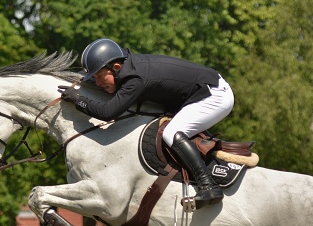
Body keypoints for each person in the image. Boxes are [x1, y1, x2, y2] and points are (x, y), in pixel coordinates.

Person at [58, 38, 234, 209]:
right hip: (201, 91)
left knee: (171, 133)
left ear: (116, 67)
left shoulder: (135, 79)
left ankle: (209, 186)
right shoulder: (126, 68)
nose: (97, 82)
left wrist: (78, 99)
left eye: (99, 76)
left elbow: (107, 112)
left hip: (215, 96)